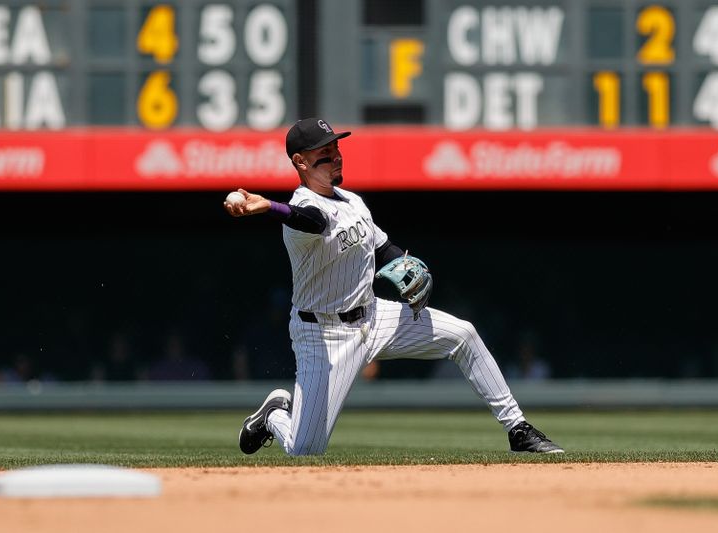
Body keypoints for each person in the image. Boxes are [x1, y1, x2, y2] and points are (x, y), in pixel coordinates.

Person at [224, 118, 563, 456]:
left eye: (336, 148)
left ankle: (517, 428)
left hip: (375, 316)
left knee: (464, 334)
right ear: (300, 162)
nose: (336, 156)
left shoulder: (353, 201)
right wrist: (269, 206)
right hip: (324, 336)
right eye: (324, 153)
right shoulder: (299, 213)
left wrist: (407, 263)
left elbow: (381, 247)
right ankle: (275, 416)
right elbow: (313, 221)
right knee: (305, 449)